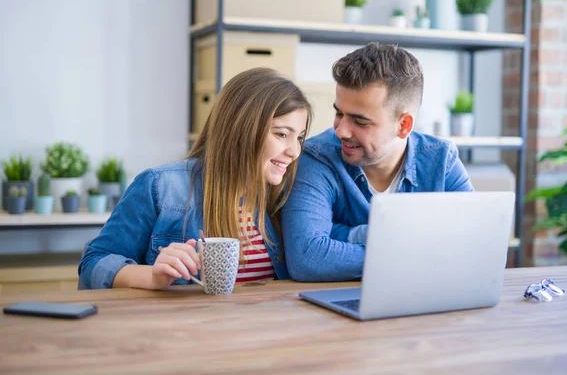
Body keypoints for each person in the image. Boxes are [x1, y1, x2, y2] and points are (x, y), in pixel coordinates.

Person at [79, 68, 312, 289]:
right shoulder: (161, 187)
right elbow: (92, 263)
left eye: (299, 138)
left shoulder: (284, 198)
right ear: (241, 130)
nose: (295, 151)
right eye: (282, 134)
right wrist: (151, 276)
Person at [281, 43, 474, 282]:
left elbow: (475, 248)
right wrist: (422, 249)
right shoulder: (317, 157)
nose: (341, 131)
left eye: (360, 122)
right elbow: (308, 258)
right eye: (339, 113)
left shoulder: (442, 160)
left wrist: (344, 235)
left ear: (403, 126)